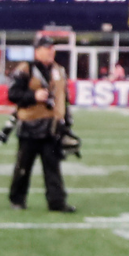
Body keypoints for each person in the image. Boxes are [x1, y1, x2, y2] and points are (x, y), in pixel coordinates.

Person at [7, 39, 77, 211]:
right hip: (30, 125)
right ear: (37, 51)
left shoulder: (59, 70)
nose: (51, 51)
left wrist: (66, 122)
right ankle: (17, 200)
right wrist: (34, 96)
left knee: (53, 167)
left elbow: (63, 98)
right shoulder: (26, 69)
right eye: (47, 48)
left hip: (52, 127)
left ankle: (57, 202)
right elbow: (13, 94)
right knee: (23, 167)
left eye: (52, 48)